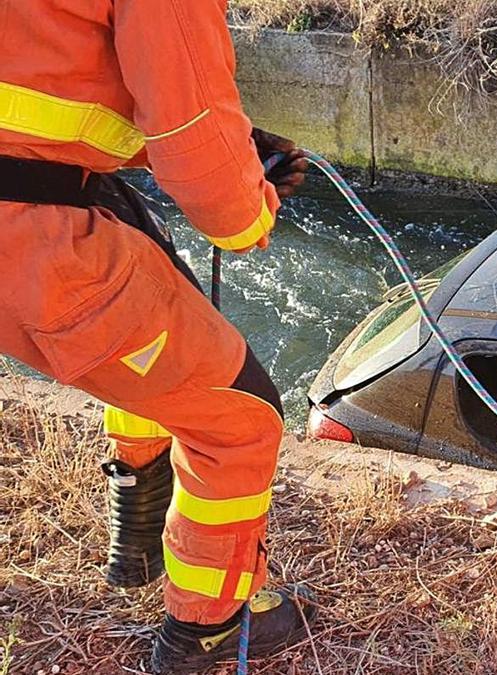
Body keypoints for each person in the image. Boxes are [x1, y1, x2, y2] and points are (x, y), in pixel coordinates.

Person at [0, 2, 314, 672]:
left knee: (155, 317)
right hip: (33, 236)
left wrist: (242, 142)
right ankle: (208, 630)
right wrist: (247, 210)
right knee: (241, 416)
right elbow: (192, 131)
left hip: (33, 198)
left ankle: (139, 537)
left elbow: (56, 89)